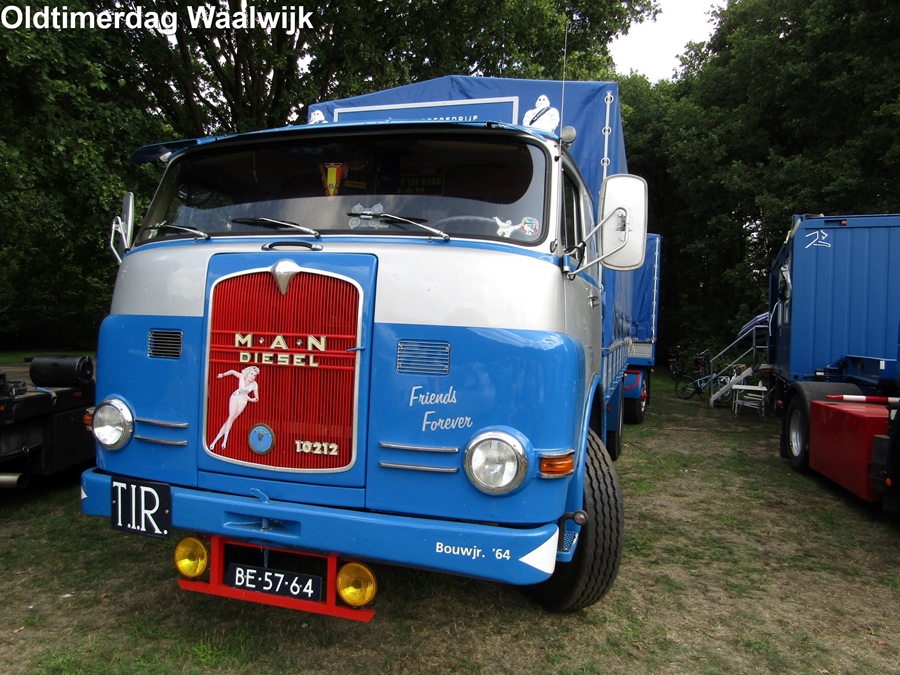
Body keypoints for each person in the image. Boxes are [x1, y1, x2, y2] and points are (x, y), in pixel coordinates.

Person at [210, 366, 260, 450]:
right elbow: (232, 371)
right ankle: (225, 440)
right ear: (248, 373)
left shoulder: (254, 385)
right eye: (251, 374)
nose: (252, 376)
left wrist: (251, 399)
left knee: (231, 419)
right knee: (230, 417)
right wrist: (223, 374)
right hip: (235, 397)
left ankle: (215, 441)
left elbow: (257, 398)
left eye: (254, 375)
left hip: (243, 401)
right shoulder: (242, 376)